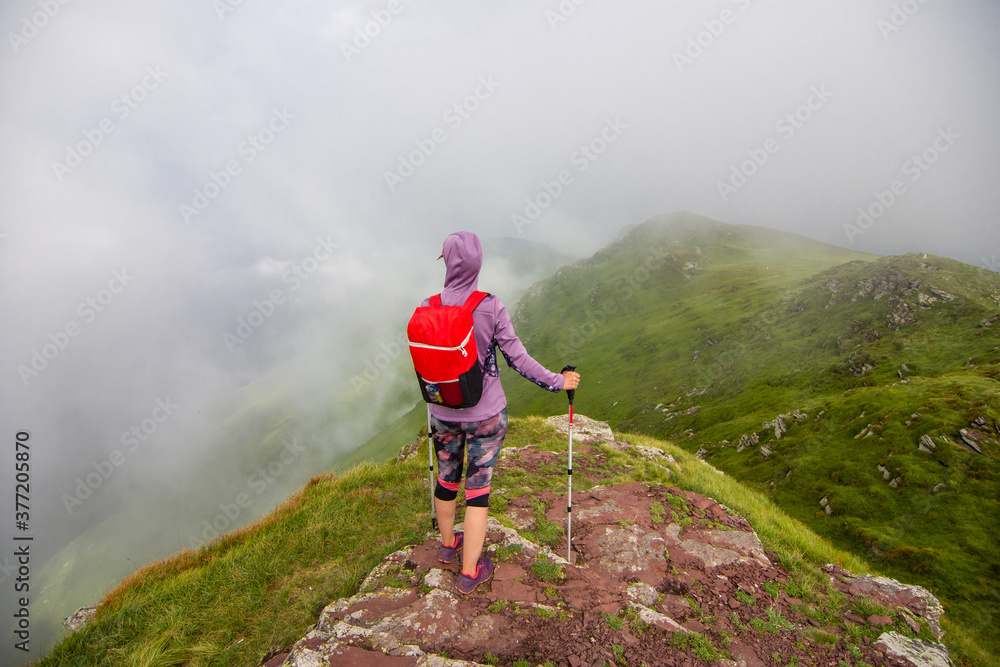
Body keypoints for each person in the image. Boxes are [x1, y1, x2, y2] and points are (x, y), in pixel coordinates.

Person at [426, 231, 580, 595]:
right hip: (487, 417)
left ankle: (448, 545)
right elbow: (519, 360)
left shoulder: (428, 305)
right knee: (477, 490)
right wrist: (559, 382)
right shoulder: (490, 306)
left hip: (442, 413)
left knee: (447, 479)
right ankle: (469, 571)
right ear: (478, 264)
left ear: (447, 262)